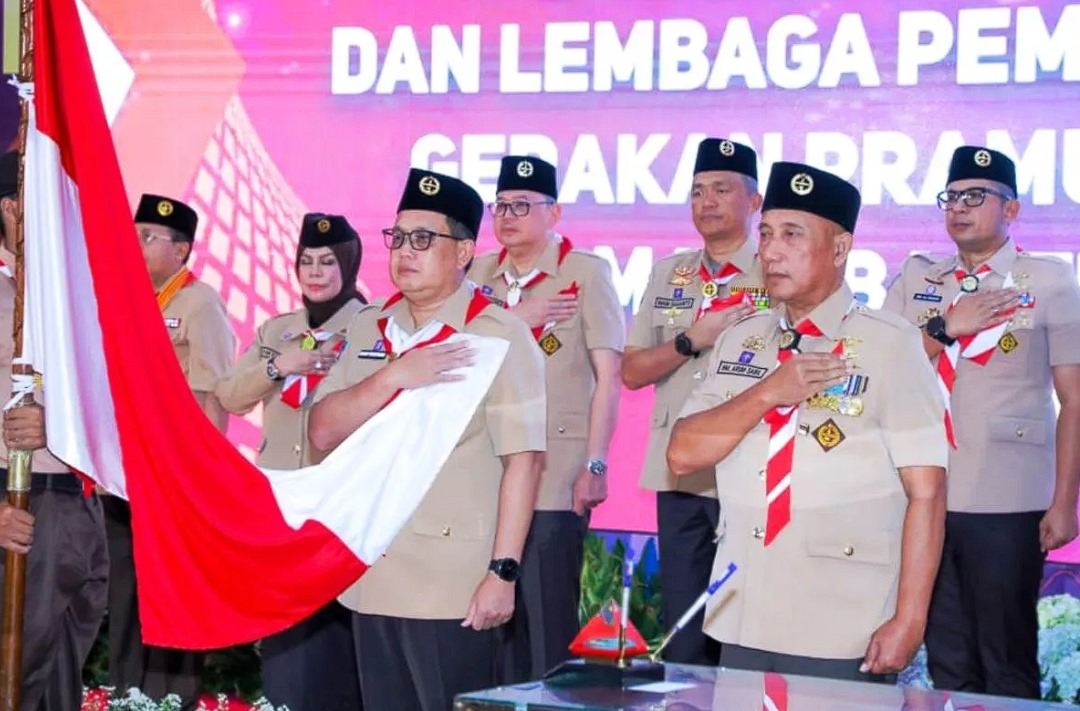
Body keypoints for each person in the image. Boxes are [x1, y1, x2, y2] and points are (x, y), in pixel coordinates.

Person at [666, 161, 948, 682]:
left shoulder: (892, 344)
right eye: (767, 233)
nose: (771, 251)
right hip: (743, 611)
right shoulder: (740, 339)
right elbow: (683, 453)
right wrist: (772, 391)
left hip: (843, 617)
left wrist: (910, 617)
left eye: (793, 235)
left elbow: (927, 492)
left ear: (840, 249)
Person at [308, 168, 546, 711]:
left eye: (424, 239)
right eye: (397, 238)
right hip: (373, 570)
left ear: (463, 252)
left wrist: (502, 573)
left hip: (450, 585)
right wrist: (392, 375)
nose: (405, 252)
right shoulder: (372, 327)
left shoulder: (496, 334)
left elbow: (525, 463)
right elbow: (323, 429)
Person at [882, 145, 1080, 698]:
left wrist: (1065, 499)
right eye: (952, 197)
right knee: (947, 656)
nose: (960, 208)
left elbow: (1075, 399)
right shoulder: (918, 279)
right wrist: (946, 326)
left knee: (1006, 657)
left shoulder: (1049, 281)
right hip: (925, 492)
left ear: (1011, 211)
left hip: (1007, 497)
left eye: (977, 196)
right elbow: (881, 368)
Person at [468, 155, 625, 681]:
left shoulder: (585, 272)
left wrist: (595, 463)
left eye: (522, 206)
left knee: (545, 621)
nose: (508, 216)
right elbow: (456, 352)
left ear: (554, 213)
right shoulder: (474, 275)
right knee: (489, 625)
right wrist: (517, 320)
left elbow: (609, 375)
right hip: (486, 468)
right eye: (501, 206)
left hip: (556, 473)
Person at [620, 138, 762, 665]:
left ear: (754, 201)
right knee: (685, 634)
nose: (706, 201)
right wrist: (689, 340)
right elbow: (631, 372)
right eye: (698, 191)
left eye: (722, 189)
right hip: (678, 473)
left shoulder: (778, 271)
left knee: (743, 631)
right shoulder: (667, 273)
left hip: (748, 471)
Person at [216, 212, 365, 711]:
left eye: (327, 261)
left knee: (335, 639)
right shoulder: (278, 329)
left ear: (348, 264)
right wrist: (281, 365)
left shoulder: (373, 326)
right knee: (285, 640)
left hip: (341, 504)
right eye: (306, 261)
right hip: (280, 505)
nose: (316, 271)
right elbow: (231, 395)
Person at [103, 193, 236, 707]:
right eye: (134, 234)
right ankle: (123, 694)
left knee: (170, 594)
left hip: (176, 475)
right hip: (125, 473)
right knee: (124, 594)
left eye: (147, 237)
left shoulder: (199, 303)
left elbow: (214, 393)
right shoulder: (129, 298)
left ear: (180, 251)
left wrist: (200, 479)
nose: (135, 244)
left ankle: (168, 699)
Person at [0, 150, 108, 711]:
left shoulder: (73, 299)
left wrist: (65, 424)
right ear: (13, 207)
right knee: (13, 682)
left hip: (80, 507)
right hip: (18, 505)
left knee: (57, 686)